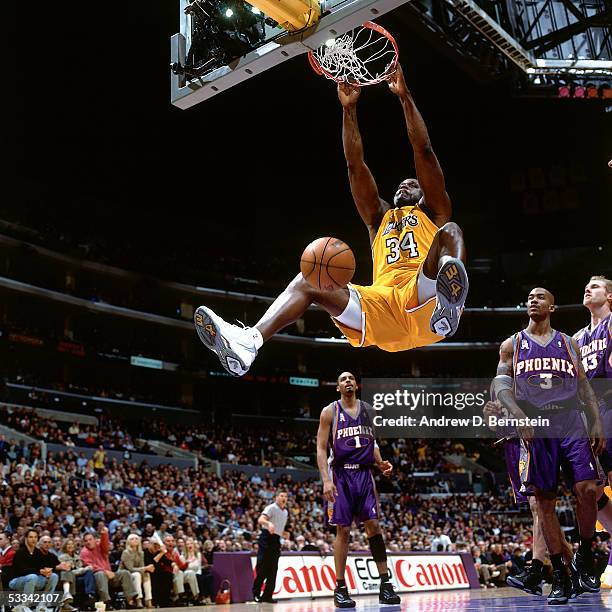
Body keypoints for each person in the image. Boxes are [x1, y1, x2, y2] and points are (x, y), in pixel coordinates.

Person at [193, 64, 468, 377]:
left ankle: (451, 304)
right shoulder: (378, 219)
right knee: (310, 278)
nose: (406, 184)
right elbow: (355, 165)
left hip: (426, 303)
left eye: (413, 183)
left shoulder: (433, 211)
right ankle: (249, 342)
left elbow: (424, 150)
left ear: (423, 193)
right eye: (402, 183)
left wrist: (405, 97)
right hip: (382, 309)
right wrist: (348, 110)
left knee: (450, 232)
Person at [492, 287, 604, 604]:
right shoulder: (512, 344)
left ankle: (585, 554)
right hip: (536, 424)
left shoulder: (568, 343)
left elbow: (582, 383)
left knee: (587, 489)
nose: (533, 300)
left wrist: (595, 420)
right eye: (529, 297)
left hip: (570, 419)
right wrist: (517, 417)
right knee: (544, 503)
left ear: (551, 307)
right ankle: (559, 575)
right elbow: (500, 384)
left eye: (540, 297)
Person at [317, 372, 401, 608]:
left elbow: (371, 442)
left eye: (351, 378)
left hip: (364, 474)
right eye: (343, 379)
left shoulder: (369, 411)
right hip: (340, 474)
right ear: (337, 387)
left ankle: (385, 585)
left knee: (374, 525)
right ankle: (340, 588)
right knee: (343, 531)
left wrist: (381, 463)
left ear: (357, 384)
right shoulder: (329, 412)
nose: (348, 381)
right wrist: (325, 480)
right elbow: (321, 449)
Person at [574, 276, 612, 586]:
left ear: (610, 296)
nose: (588, 288)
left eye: (596, 286)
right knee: (590, 490)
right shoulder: (576, 339)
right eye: (587, 286)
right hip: (588, 416)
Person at [80, 526, 138, 608]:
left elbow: (105, 544)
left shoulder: (100, 547)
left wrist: (105, 534)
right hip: (96, 578)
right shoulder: (84, 552)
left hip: (109, 575)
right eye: (86, 541)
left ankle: (130, 600)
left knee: (125, 573)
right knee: (100, 574)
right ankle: (106, 601)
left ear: (94, 539)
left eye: (90, 539)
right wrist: (105, 571)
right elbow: (91, 567)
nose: (88, 542)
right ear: (84, 543)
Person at [252, 490, 290, 603]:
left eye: (286, 496)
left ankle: (268, 595)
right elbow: (260, 519)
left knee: (273, 570)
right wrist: (268, 523)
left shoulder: (285, 512)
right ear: (276, 497)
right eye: (281, 495)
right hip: (266, 538)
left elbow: (278, 528)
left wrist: (284, 534)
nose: (284, 498)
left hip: (276, 539)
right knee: (263, 568)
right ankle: (256, 593)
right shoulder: (271, 508)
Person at [8, 529, 59, 600]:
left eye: (35, 537)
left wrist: (47, 571)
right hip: (16, 580)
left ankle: (43, 605)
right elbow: (21, 570)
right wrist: (40, 571)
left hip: (34, 579)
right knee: (32, 577)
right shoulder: (20, 552)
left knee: (53, 576)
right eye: (31, 537)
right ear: (26, 538)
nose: (33, 539)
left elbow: (43, 565)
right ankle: (25, 605)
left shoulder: (38, 552)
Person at [38, 535, 77, 612]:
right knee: (56, 575)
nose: (47, 544)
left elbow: (58, 564)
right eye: (45, 542)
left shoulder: (52, 555)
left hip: (54, 576)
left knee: (66, 571)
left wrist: (65, 566)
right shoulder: (36, 553)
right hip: (40, 576)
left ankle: (66, 598)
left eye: (49, 542)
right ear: (40, 544)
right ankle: (65, 599)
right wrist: (57, 567)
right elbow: (40, 567)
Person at [58, 539, 97, 611]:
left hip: (77, 578)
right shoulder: (62, 557)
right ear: (65, 546)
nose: (70, 546)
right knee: (86, 570)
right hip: (68, 579)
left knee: (89, 573)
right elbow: (69, 572)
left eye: (72, 544)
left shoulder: (77, 557)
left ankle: (90, 595)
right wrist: (84, 569)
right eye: (68, 544)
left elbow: (79, 569)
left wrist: (85, 569)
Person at [162, 534, 199, 604]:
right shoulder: (162, 552)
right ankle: (180, 596)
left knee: (190, 572)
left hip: (178, 575)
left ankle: (196, 596)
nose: (170, 543)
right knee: (179, 572)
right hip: (168, 575)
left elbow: (182, 567)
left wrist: (187, 563)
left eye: (172, 541)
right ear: (164, 543)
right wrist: (174, 567)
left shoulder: (175, 553)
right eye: (168, 541)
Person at [120, 534, 154, 608]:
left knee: (146, 574)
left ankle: (148, 600)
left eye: (136, 538)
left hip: (136, 573)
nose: (135, 540)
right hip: (125, 574)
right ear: (128, 542)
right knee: (137, 575)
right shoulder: (126, 552)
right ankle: (139, 600)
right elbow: (130, 569)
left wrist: (147, 569)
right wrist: (145, 568)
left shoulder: (141, 553)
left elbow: (141, 566)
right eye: (132, 539)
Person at [144, 540, 173, 608]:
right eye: (154, 544)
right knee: (155, 578)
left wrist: (174, 564)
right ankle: (155, 601)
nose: (156, 546)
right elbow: (151, 563)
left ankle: (165, 601)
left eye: (157, 545)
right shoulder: (145, 552)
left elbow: (166, 561)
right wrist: (162, 553)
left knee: (168, 574)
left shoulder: (158, 552)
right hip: (149, 572)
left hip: (159, 572)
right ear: (149, 545)